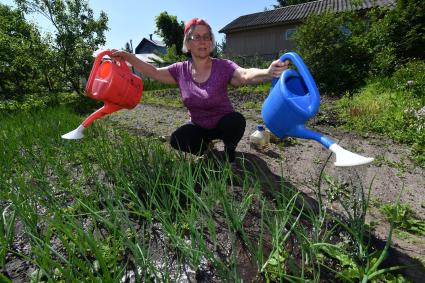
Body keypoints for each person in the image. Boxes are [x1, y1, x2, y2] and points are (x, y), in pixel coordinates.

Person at [110, 18, 289, 162]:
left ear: (211, 42)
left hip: (223, 123)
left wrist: (267, 72)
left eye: (206, 37)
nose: (202, 41)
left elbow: (244, 74)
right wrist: (128, 57)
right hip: (199, 126)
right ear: (187, 43)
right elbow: (155, 72)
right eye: (196, 37)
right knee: (177, 139)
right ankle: (207, 150)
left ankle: (229, 149)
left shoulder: (223, 66)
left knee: (236, 120)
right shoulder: (180, 70)